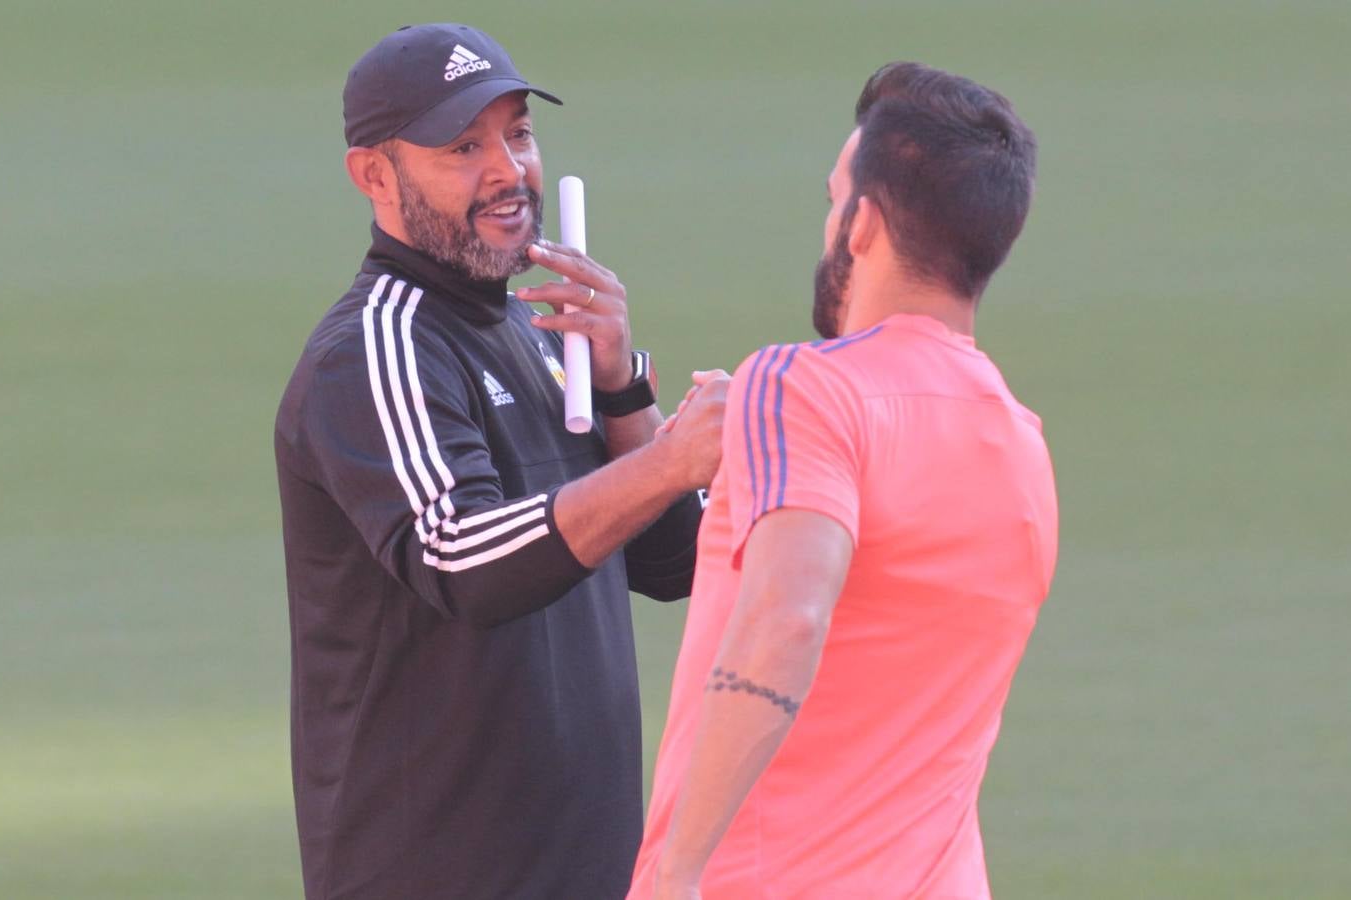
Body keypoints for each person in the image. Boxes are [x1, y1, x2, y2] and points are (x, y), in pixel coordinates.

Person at [273, 23, 724, 900]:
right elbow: (461, 560)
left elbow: (674, 564)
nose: (508, 172)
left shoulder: (539, 335)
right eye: (462, 146)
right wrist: (673, 461)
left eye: (518, 134)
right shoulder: (376, 348)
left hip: (584, 868)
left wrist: (626, 390)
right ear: (374, 175)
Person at [631, 63, 1058, 899]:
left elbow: (787, 617)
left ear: (862, 223)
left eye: (833, 199)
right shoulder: (1019, 442)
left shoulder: (801, 385)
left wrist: (674, 876)